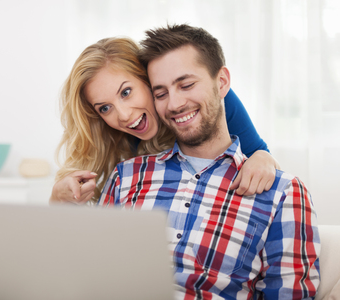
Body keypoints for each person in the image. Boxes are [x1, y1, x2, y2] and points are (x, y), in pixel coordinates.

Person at [98, 24, 320, 299]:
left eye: (187, 84)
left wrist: (262, 156)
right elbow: (90, 272)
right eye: (161, 93)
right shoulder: (125, 176)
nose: (175, 103)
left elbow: (288, 292)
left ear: (222, 82)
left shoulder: (283, 193)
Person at [51, 37, 279, 204]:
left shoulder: (213, 100)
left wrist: (263, 158)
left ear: (150, 80)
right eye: (105, 108)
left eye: (126, 92)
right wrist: (57, 202)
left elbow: (260, 153)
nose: (123, 115)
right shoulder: (117, 139)